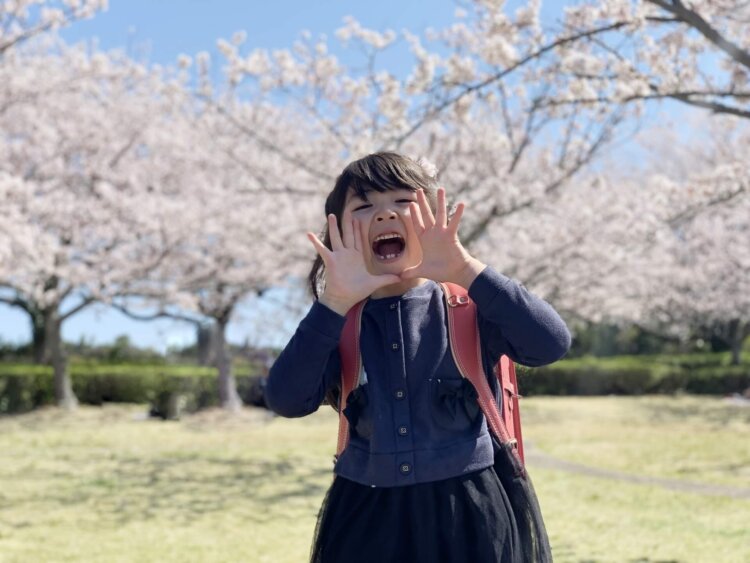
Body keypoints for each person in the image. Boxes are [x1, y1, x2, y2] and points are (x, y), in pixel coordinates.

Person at [265, 152, 571, 562]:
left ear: (432, 216)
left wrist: (465, 269)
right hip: (366, 517)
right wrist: (334, 301)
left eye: (403, 202)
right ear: (336, 230)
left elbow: (549, 344)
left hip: (470, 514)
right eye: (365, 205)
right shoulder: (338, 322)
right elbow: (287, 399)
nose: (385, 215)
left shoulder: (468, 305)